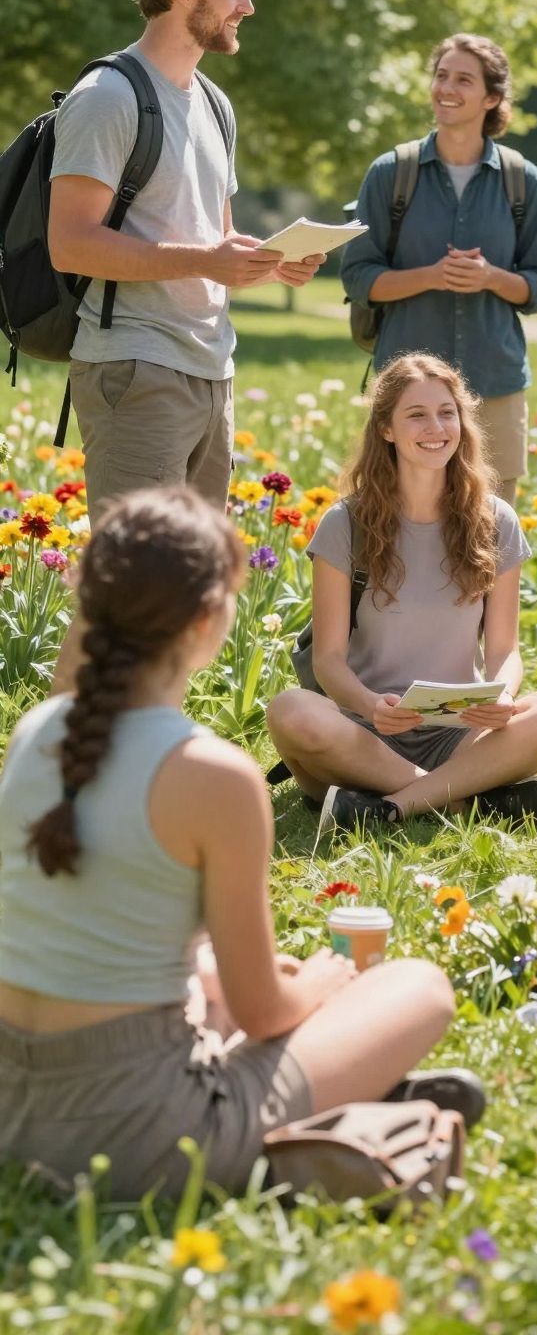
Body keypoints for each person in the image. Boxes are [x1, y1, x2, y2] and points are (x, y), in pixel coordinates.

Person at [0, 488, 467, 1202]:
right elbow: (265, 1014)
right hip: (144, 1134)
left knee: (217, 977)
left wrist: (218, 977)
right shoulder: (214, 775)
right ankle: (337, 1113)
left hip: (13, 1109)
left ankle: (342, 1086)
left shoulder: (36, 734)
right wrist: (321, 984)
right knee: (418, 989)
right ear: (209, 619)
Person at [47, 0, 323, 521]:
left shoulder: (214, 103)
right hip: (136, 369)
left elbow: (211, 239)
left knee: (194, 590)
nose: (248, 6)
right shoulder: (106, 98)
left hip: (210, 368)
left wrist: (269, 263)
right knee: (139, 588)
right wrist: (207, 260)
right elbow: (69, 244)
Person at [266, 352, 537, 832]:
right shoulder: (345, 523)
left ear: (463, 421)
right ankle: (459, 798)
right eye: (416, 414)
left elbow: (504, 649)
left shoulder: (495, 519)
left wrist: (501, 695)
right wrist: (370, 703)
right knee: (290, 710)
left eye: (446, 412)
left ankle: (389, 806)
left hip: (462, 733)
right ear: (386, 429)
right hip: (364, 731)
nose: (435, 427)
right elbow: (328, 662)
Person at [341, 35, 537, 501]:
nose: (447, 87)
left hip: (494, 386)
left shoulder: (523, 180)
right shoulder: (390, 173)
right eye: (441, 75)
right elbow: (358, 277)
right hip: (406, 393)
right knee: (399, 519)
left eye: (463, 79)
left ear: (492, 98)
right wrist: (430, 276)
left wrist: (492, 279)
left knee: (492, 531)